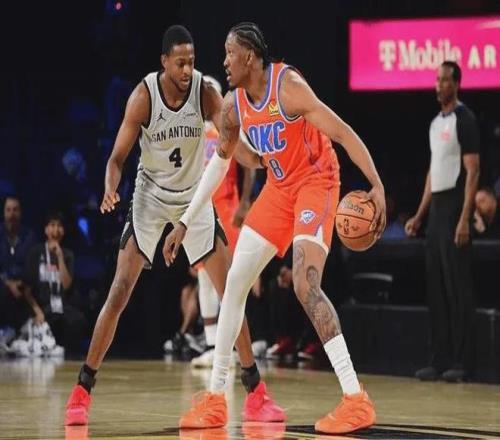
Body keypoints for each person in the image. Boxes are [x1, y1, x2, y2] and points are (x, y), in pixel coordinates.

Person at [165, 22, 386, 434]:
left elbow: (341, 132)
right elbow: (219, 164)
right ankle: (216, 399)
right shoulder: (232, 106)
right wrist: (185, 219)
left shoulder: (289, 87)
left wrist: (376, 185)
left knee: (304, 284)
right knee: (234, 283)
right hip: (280, 189)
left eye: (230, 53)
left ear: (250, 56)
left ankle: (356, 399)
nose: (224, 61)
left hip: (317, 183)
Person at [64, 25, 284, 426]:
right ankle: (81, 390)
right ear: (164, 61)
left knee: (231, 291)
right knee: (119, 290)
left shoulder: (205, 92)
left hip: (193, 198)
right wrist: (110, 189)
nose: (187, 69)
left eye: (192, 62)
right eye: (180, 62)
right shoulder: (143, 96)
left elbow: (230, 142)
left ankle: (256, 393)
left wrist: (260, 159)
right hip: (150, 198)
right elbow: (116, 159)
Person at [405, 61, 480, 382]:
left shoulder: (466, 119)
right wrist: (419, 215)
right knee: (435, 287)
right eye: (436, 80)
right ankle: (439, 359)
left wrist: (464, 218)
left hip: (455, 207)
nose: (438, 85)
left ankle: (462, 362)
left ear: (456, 84)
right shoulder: (435, 123)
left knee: (457, 288)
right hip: (436, 209)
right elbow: (433, 172)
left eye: (445, 80)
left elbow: (473, 171)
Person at [191, 75, 255, 368]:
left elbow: (250, 164)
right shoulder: (193, 132)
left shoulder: (227, 126)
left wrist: (245, 202)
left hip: (228, 209)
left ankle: (234, 347)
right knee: (204, 277)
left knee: (232, 279)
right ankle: (212, 344)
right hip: (203, 211)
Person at [23, 212, 86, 353]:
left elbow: (66, 285)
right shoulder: (35, 253)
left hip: (62, 306)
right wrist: (37, 312)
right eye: (52, 225)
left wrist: (60, 257)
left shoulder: (68, 255)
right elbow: (26, 290)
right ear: (45, 229)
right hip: (42, 307)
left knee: (78, 320)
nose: (55, 230)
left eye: (59, 226)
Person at [0, 196, 36, 334]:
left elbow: (31, 265)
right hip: (3, 283)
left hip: (24, 284)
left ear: (20, 212)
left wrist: (21, 283)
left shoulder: (29, 236)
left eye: (15, 210)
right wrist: (9, 283)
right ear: (4, 212)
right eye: (8, 210)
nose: (12, 214)